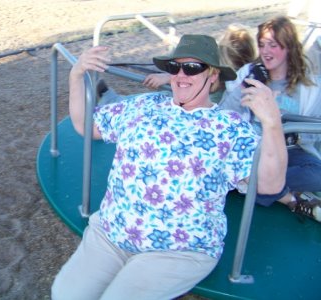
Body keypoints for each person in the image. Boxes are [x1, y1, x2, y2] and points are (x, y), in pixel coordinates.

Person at [51, 34, 287, 300]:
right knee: (65, 294)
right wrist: (76, 74)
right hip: (111, 232)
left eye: (193, 68)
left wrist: (272, 123)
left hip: (178, 249)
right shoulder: (143, 104)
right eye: (175, 67)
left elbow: (270, 185)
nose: (181, 75)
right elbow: (86, 126)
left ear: (213, 78)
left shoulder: (229, 128)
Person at [219, 16, 321, 221]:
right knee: (229, 168)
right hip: (254, 149)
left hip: (291, 151)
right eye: (262, 45)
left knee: (316, 174)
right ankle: (291, 198)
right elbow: (224, 115)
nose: (265, 51)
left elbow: (313, 129)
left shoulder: (309, 85)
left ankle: (252, 186)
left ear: (288, 47)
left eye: (273, 45)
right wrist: (244, 89)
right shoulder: (248, 73)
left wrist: (283, 126)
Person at [97, 24, 256, 105]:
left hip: (196, 106)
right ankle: (111, 100)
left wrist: (168, 76)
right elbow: (196, 57)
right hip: (193, 100)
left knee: (160, 99)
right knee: (161, 97)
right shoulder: (251, 74)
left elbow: (200, 63)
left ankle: (111, 100)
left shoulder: (230, 85)